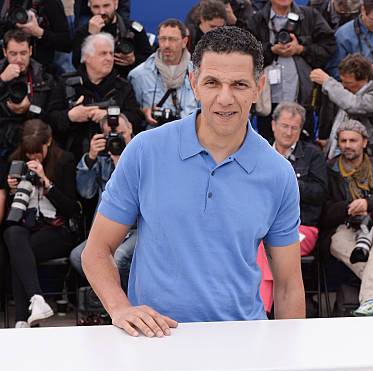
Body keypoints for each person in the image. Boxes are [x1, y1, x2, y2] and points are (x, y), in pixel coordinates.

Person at [82, 26, 305, 337]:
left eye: (239, 84)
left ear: (258, 87)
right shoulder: (145, 152)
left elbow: (287, 286)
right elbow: (96, 251)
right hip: (155, 342)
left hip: (243, 343)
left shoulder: (278, 174)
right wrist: (120, 308)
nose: (225, 98)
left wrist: (289, 366)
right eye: (212, 82)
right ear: (193, 84)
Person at [319, 119, 373, 316]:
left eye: (353, 140)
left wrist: (368, 204)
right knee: (356, 254)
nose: (347, 145)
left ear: (364, 142)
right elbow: (323, 212)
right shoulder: (329, 169)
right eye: (343, 141)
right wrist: (350, 208)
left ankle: (369, 301)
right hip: (342, 228)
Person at [1, 119, 79, 327]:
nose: (33, 157)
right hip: (26, 226)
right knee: (12, 235)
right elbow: (13, 211)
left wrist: (47, 182)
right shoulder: (15, 161)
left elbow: (71, 208)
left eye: (37, 152)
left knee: (19, 253)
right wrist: (11, 190)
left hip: (56, 229)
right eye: (29, 153)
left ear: (49, 142)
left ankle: (22, 320)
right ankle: (36, 301)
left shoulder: (64, 161)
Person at [257, 101, 328, 311]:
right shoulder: (258, 153)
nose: (288, 132)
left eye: (294, 127)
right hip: (260, 227)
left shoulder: (313, 155)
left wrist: (288, 182)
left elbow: (320, 194)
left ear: (301, 129)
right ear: (273, 125)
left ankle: (263, 310)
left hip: (303, 227)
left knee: (268, 247)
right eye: (284, 126)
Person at [248, 0, 336, 141]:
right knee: (267, 149)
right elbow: (246, 54)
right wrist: (271, 49)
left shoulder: (310, 16)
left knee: (303, 150)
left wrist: (301, 49)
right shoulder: (256, 20)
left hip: (302, 100)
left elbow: (329, 46)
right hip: (267, 103)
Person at [48, 32, 142, 161]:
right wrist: (70, 116)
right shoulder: (66, 83)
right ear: (87, 57)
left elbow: (135, 119)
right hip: (74, 156)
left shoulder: (123, 86)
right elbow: (50, 118)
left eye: (111, 53)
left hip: (114, 155)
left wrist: (109, 117)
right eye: (103, 54)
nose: (109, 58)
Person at [70, 112, 136, 290]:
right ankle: (110, 301)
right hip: (109, 228)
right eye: (111, 137)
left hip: (138, 229)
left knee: (120, 256)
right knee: (78, 256)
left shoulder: (141, 154)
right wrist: (91, 157)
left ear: (131, 129)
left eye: (121, 135)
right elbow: (85, 191)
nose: (117, 141)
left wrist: (121, 165)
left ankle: (131, 303)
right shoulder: (101, 159)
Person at [310, 52, 373, 160]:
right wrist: (329, 143)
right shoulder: (344, 94)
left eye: (348, 83)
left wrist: (328, 82)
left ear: (364, 79)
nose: (344, 86)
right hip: (339, 154)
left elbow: (354, 105)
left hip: (371, 158)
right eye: (342, 82)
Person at [128, 19, 199, 128]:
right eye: (162, 39)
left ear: (184, 42)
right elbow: (132, 113)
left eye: (172, 40)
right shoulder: (138, 75)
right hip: (154, 138)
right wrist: (144, 112)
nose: (166, 45)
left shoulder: (198, 74)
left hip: (190, 137)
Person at [0, 29, 53, 158]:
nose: (19, 59)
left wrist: (30, 108)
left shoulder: (43, 77)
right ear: (4, 52)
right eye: (13, 54)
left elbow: (51, 117)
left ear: (30, 51)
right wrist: (1, 80)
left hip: (34, 141)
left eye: (23, 53)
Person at [72, 0, 152, 77]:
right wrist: (91, 36)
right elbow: (77, 64)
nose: (101, 12)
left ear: (116, 4)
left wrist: (133, 60)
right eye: (96, 7)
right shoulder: (83, 32)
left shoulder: (132, 29)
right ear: (89, 6)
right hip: (97, 85)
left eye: (106, 5)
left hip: (128, 82)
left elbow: (150, 60)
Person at [327, 0, 373, 80]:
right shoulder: (343, 35)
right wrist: (359, 76)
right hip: (355, 90)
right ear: (363, 10)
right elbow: (333, 71)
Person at [0, 0, 72, 72]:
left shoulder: (49, 3)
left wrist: (38, 32)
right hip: (9, 67)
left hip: (41, 71)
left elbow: (66, 43)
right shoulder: (8, 3)